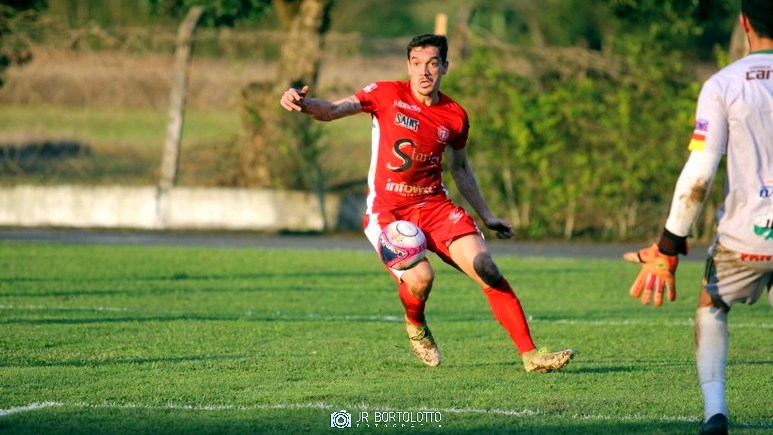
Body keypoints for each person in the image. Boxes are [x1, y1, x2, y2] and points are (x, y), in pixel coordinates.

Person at [279, 33, 573, 372]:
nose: (424, 72)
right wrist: (302, 103)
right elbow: (331, 110)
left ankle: (531, 355)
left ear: (445, 66)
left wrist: (488, 215)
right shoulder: (386, 94)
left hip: (434, 207)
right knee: (421, 279)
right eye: (416, 63)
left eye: (433, 63)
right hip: (387, 212)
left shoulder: (455, 116)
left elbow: (460, 168)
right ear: (408, 65)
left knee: (487, 269)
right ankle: (415, 324)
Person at [623, 1, 773, 434]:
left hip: (745, 239)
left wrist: (670, 244)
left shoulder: (723, 83)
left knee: (713, 304)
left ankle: (715, 413)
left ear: (745, 23)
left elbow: (701, 173)